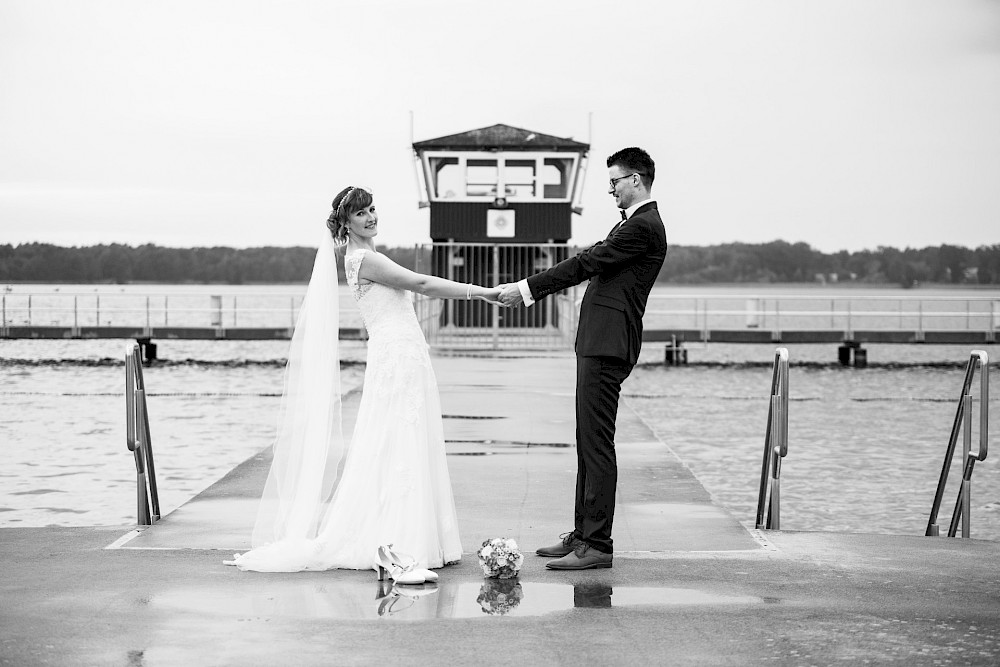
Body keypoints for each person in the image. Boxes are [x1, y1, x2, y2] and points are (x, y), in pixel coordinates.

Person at [228, 186, 502, 581]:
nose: (371, 217)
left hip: (403, 354)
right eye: (361, 213)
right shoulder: (362, 259)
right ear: (346, 223)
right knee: (396, 440)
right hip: (395, 358)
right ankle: (397, 541)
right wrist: (484, 294)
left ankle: (410, 538)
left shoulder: (368, 256)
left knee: (401, 438)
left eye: (373, 209)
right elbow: (421, 284)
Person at [499, 147, 667, 570]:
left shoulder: (643, 227)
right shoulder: (632, 225)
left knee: (596, 443)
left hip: (608, 345)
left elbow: (586, 262)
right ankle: (582, 534)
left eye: (614, 181)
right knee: (587, 441)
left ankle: (597, 545)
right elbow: (592, 259)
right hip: (598, 342)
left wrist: (527, 288)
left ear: (636, 179)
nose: (609, 189)